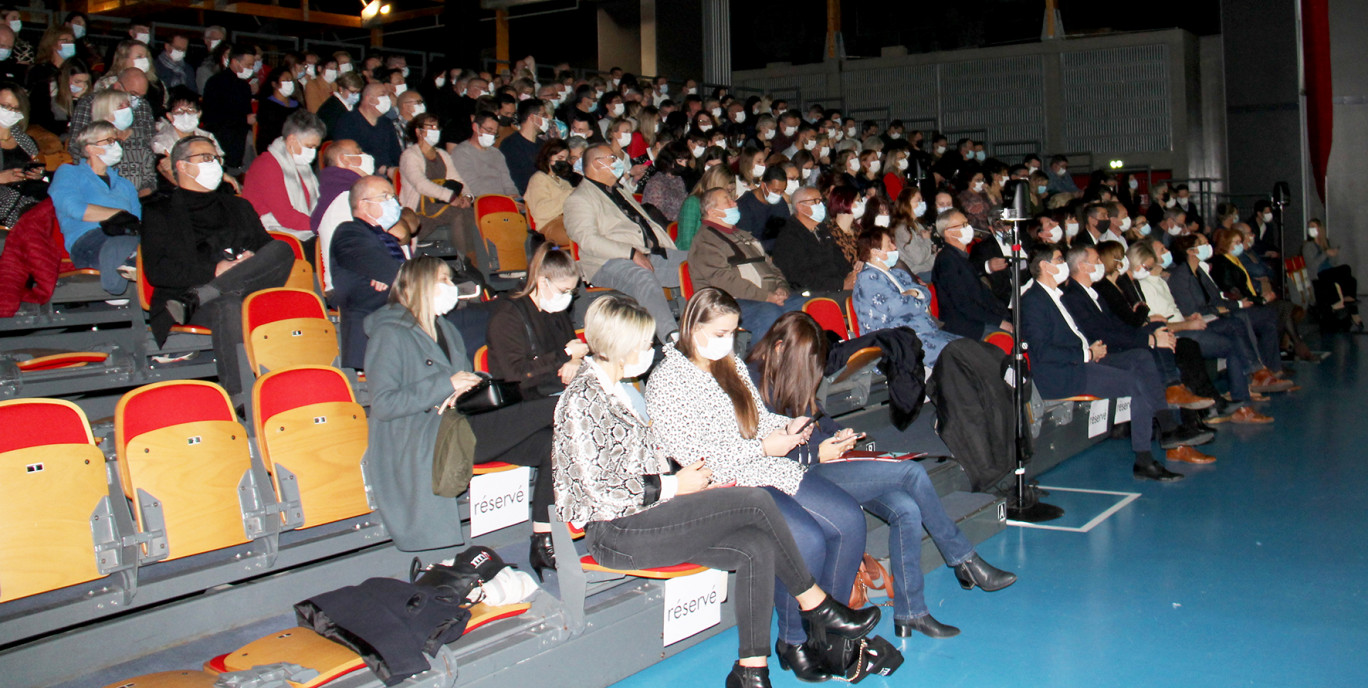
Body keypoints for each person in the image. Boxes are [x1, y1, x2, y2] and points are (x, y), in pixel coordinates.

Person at [554, 295, 878, 688]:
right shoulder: (584, 398)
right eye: (642, 344)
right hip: (617, 531)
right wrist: (674, 484)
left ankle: (751, 670)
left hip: (656, 513)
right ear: (617, 344)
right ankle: (817, 604)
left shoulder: (619, 389)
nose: (650, 351)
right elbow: (597, 490)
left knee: (756, 546)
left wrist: (783, 430)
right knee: (757, 502)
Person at [645, 289, 876, 684]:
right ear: (692, 326)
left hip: (766, 468)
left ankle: (828, 634)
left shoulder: (729, 363)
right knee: (806, 540)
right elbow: (698, 462)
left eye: (734, 332)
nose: (729, 341)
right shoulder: (667, 382)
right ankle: (793, 641)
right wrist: (763, 446)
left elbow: (756, 418)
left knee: (848, 519)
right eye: (720, 332)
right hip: (724, 487)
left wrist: (784, 428)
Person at [748, 312, 1017, 639]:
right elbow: (762, 451)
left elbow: (816, 419)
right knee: (912, 474)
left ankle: (911, 612)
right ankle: (963, 558)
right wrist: (817, 453)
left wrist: (839, 434)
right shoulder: (752, 382)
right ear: (778, 348)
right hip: (803, 477)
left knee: (907, 508)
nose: (810, 374)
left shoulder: (792, 367)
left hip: (829, 463)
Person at [363, 256, 559, 577]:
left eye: (450, 280)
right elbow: (384, 404)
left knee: (550, 443)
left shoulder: (447, 330)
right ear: (417, 285)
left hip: (460, 425)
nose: (451, 287)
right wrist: (445, 384)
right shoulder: (390, 334)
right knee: (553, 408)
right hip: (425, 437)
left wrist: (474, 381)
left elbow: (458, 380)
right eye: (442, 280)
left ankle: (542, 539)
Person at [1020, 244, 1208, 482]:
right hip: (1063, 374)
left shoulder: (1056, 296)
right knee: (1136, 383)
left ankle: (1165, 431)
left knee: (1142, 361)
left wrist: (1092, 351)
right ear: (1045, 266)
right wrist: (1087, 353)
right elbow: (1043, 350)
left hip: (1080, 362)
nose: (1064, 264)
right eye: (1059, 260)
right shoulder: (1033, 301)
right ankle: (1148, 455)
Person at [141, 135, 294, 395]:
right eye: (206, 158)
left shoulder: (239, 205)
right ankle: (241, 397)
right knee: (229, 305)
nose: (215, 164)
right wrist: (215, 270)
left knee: (282, 248)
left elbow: (269, 253)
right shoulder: (160, 211)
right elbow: (158, 272)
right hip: (187, 296)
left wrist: (249, 260)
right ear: (182, 165)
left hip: (239, 289)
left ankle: (205, 294)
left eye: (216, 158)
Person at [1059, 245, 1219, 464]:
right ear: (1082, 266)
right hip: (1103, 353)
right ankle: (1174, 429)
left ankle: (1176, 412)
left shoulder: (1092, 292)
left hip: (1116, 344)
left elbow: (1118, 326)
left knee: (1161, 336)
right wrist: (1149, 340)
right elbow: (1102, 335)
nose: (1100, 265)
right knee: (1149, 358)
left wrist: (1151, 333)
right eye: (1096, 260)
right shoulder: (1073, 297)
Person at [1127, 241, 1273, 423]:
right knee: (1233, 345)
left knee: (1235, 324)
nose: (1166, 252)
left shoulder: (1161, 282)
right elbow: (1156, 325)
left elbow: (1172, 314)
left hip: (1185, 326)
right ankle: (1244, 400)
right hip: (1178, 334)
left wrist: (1188, 319)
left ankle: (1254, 376)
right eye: (1161, 250)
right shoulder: (1144, 287)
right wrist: (1186, 325)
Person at [563, 143, 682, 342]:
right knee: (642, 277)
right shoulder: (579, 199)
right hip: (608, 262)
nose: (619, 162)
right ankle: (673, 340)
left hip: (649, 253)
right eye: (612, 158)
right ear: (596, 164)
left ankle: (699, 326)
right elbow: (588, 240)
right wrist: (630, 253)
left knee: (699, 261)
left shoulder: (620, 191)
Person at [688, 188, 805, 341]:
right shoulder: (706, 241)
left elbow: (771, 267)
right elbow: (723, 281)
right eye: (727, 201)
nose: (734, 203)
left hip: (768, 296)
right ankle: (759, 364)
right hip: (728, 302)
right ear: (713, 212)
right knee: (768, 313)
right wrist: (766, 296)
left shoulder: (744, 235)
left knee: (807, 305)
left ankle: (800, 361)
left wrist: (781, 287)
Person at [486, 243, 587, 398]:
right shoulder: (507, 317)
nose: (568, 297)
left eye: (572, 291)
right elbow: (517, 376)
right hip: (526, 399)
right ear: (542, 282)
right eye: (564, 291)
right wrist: (566, 355)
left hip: (557, 388)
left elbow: (574, 348)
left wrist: (576, 361)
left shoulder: (554, 308)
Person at [51, 122, 141, 295]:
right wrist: (119, 215)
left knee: (141, 239)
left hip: (127, 237)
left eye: (116, 140)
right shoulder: (70, 172)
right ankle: (123, 267)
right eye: (109, 140)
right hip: (88, 241)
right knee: (122, 242)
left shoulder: (125, 184)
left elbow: (137, 220)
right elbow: (76, 209)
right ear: (90, 148)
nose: (115, 145)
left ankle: (126, 263)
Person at [853, 225, 959, 366]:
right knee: (958, 355)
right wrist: (916, 299)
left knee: (969, 347)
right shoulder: (868, 279)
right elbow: (896, 308)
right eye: (889, 244)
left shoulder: (898, 273)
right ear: (875, 252)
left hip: (925, 332)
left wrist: (913, 293)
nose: (894, 247)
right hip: (899, 343)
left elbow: (926, 293)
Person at [1208, 227, 1314, 361]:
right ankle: (1282, 352)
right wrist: (1261, 300)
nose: (1240, 245)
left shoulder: (1235, 260)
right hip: (1242, 304)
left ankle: (1287, 350)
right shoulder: (1223, 263)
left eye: (1240, 242)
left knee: (1285, 308)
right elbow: (1234, 290)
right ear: (1226, 243)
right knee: (1279, 311)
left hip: (1252, 298)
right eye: (1236, 242)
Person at [241, 110, 322, 242]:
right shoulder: (267, 165)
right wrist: (322, 225)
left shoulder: (300, 163)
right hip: (272, 234)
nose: (313, 152)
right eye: (310, 146)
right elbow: (286, 216)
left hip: (299, 231)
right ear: (292, 140)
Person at [932, 209, 1012, 339]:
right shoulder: (947, 261)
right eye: (962, 225)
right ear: (948, 232)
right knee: (1009, 338)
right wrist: (998, 322)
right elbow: (963, 303)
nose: (968, 228)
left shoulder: (961, 257)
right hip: (966, 325)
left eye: (967, 223)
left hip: (977, 318)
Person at [398, 112, 473, 249]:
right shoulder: (410, 155)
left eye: (437, 127)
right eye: (431, 127)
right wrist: (450, 197)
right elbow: (421, 184)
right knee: (457, 214)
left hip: (443, 202)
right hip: (421, 206)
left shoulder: (442, 154)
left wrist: (467, 197)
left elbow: (457, 179)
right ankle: (464, 259)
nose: (435, 130)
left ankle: (478, 259)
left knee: (471, 212)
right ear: (418, 131)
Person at [772, 187, 853, 295]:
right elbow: (800, 278)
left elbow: (838, 258)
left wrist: (851, 275)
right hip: (813, 293)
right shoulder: (789, 237)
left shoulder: (822, 229)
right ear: (800, 207)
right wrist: (840, 285)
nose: (820, 205)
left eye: (820, 201)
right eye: (815, 201)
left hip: (836, 286)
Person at [200, 44, 256, 173]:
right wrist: (243, 119)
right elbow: (212, 116)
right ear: (235, 62)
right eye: (248, 65)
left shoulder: (244, 85)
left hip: (239, 142)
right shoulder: (216, 83)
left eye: (252, 65)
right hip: (223, 141)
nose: (251, 69)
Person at [0, 82, 47, 227]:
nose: (10, 112)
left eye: (15, 108)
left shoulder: (24, 140)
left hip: (28, 195)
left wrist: (37, 173)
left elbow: (37, 163)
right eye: (5, 106)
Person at [1303, 218, 1361, 331]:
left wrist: (1333, 254)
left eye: (1314, 226)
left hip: (1329, 272)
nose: (1312, 229)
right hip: (1319, 274)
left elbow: (1332, 263)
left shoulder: (1325, 243)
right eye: (1310, 227)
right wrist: (1325, 254)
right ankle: (1353, 312)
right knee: (1346, 269)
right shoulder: (1308, 246)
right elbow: (1312, 265)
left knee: (1351, 279)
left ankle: (1351, 308)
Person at [332, 83, 401, 172]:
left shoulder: (386, 122)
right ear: (369, 98)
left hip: (389, 172)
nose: (387, 99)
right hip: (361, 173)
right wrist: (381, 169)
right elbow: (346, 155)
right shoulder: (348, 121)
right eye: (382, 95)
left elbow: (396, 153)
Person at [23, 26, 75, 135]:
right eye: (65, 40)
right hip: (48, 130)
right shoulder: (40, 71)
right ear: (52, 43)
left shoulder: (74, 70)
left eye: (71, 41)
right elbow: (39, 107)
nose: (70, 44)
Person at [524, 139, 575, 247]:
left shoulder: (564, 182)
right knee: (583, 232)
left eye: (566, 159)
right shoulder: (539, 178)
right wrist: (569, 194)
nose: (563, 162)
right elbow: (541, 211)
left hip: (569, 220)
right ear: (548, 157)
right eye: (560, 158)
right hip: (549, 225)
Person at [674, 162, 733, 251]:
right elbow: (686, 244)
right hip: (693, 257)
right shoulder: (693, 203)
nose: (727, 195)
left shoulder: (725, 208)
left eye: (730, 191)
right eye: (726, 190)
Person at [499, 98, 545, 195]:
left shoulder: (543, 145)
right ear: (533, 117)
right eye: (543, 115)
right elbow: (518, 181)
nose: (547, 119)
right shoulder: (510, 145)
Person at [890, 186, 935, 279]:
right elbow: (919, 258)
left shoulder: (917, 224)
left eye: (922, 200)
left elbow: (928, 251)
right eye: (918, 201)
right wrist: (927, 240)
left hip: (928, 268)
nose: (922, 204)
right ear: (906, 204)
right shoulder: (902, 229)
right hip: (916, 273)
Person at [254, 67, 301, 154]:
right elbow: (268, 133)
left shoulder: (297, 105)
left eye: (290, 80)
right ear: (274, 84)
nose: (289, 83)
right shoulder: (267, 105)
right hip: (274, 148)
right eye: (285, 80)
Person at [316, 70, 362, 137]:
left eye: (358, 92)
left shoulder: (356, 105)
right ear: (341, 89)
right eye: (352, 92)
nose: (356, 95)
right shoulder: (329, 109)